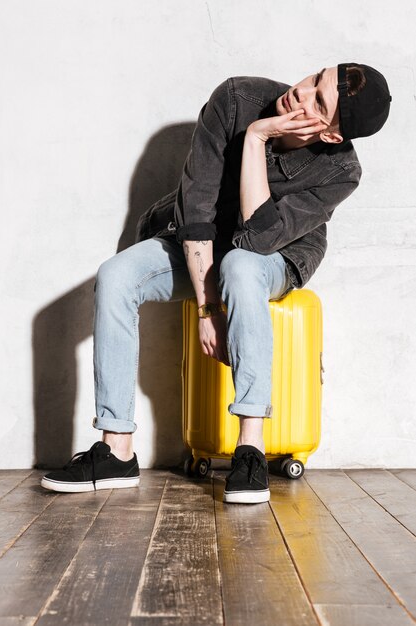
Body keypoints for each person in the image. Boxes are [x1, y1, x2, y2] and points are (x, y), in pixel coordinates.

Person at [41, 63, 391, 503]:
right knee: (116, 275)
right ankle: (116, 451)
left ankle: (251, 449)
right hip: (201, 240)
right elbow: (197, 208)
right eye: (313, 79)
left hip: (274, 256)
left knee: (242, 264)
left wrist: (257, 139)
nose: (300, 93)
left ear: (332, 135)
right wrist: (208, 309)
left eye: (318, 102)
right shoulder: (236, 99)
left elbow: (259, 236)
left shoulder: (341, 171)